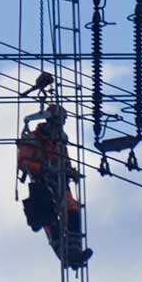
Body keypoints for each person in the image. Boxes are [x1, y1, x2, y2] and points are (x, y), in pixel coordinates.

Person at [17, 106, 93, 268]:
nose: (60, 126)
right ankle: (63, 253)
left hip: (59, 181)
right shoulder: (33, 138)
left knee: (72, 207)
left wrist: (71, 172)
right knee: (47, 214)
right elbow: (24, 162)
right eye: (59, 122)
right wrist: (42, 168)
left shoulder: (59, 142)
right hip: (41, 184)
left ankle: (75, 249)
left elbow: (65, 161)